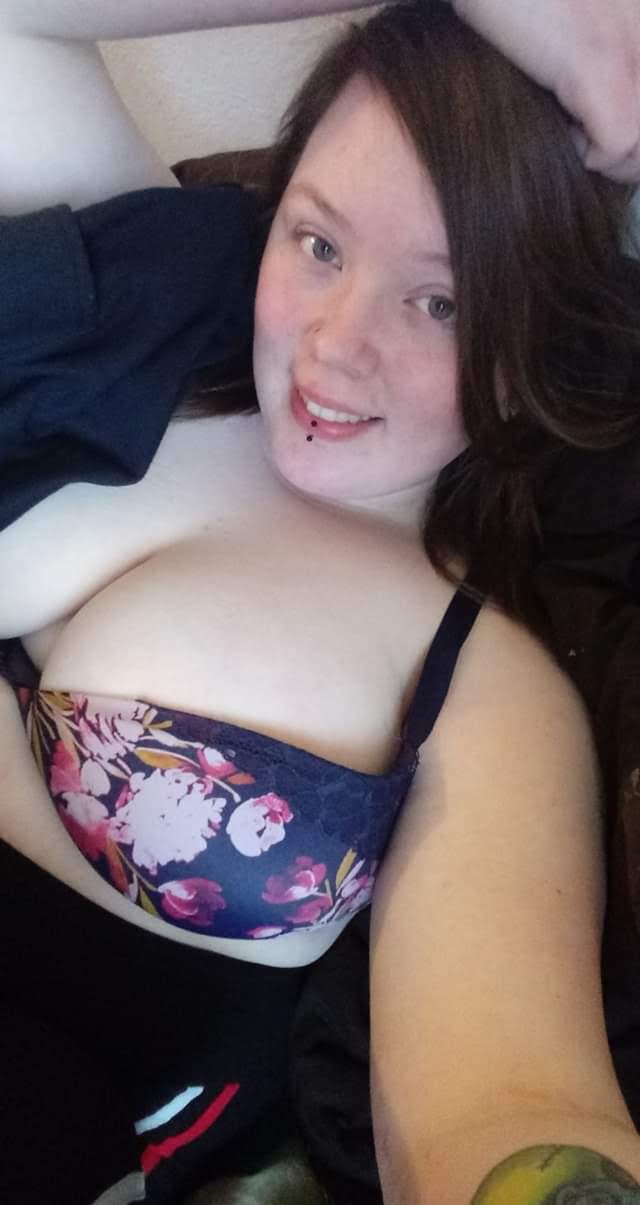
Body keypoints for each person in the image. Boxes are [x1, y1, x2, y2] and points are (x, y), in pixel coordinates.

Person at [1, 2, 640, 1203]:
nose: (335, 347)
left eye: (440, 302)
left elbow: (505, 1103)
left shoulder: (480, 684)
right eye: (320, 244)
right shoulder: (151, 293)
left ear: (532, 343)